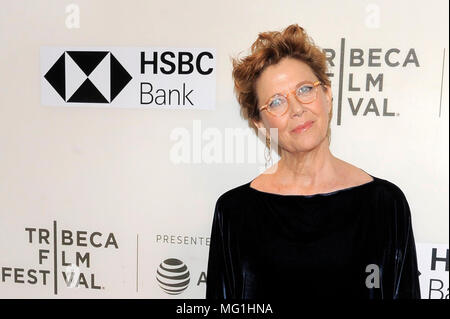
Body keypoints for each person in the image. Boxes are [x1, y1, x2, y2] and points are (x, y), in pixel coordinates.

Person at [205, 24, 421, 299]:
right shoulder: (235, 213)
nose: (297, 109)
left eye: (305, 89)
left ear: (327, 95)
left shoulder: (385, 205)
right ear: (259, 123)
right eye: (276, 102)